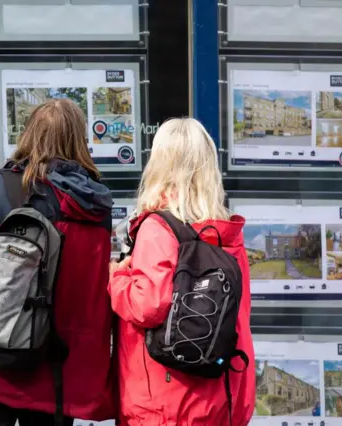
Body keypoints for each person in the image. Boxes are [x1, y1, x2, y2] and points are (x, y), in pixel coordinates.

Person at [0, 99, 116, 426]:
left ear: (29, 135)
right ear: (79, 140)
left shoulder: (1, 190)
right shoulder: (95, 206)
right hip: (55, 373)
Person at [108, 118, 255, 425]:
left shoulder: (158, 228)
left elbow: (148, 306)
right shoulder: (227, 235)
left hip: (163, 405)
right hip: (220, 397)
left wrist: (116, 277)